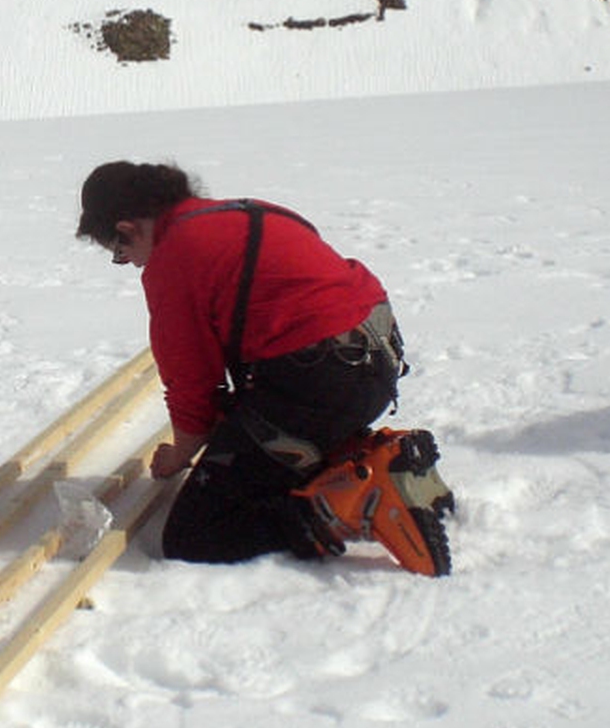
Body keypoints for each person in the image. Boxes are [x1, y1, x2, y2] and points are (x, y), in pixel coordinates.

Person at [76, 161, 453, 571]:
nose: (130, 263)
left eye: (120, 252)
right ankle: (367, 459)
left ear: (127, 229)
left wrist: (180, 455)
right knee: (254, 439)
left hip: (320, 379)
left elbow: (191, 382)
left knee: (194, 532)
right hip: (372, 361)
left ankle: (338, 508)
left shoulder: (175, 256)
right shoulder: (245, 211)